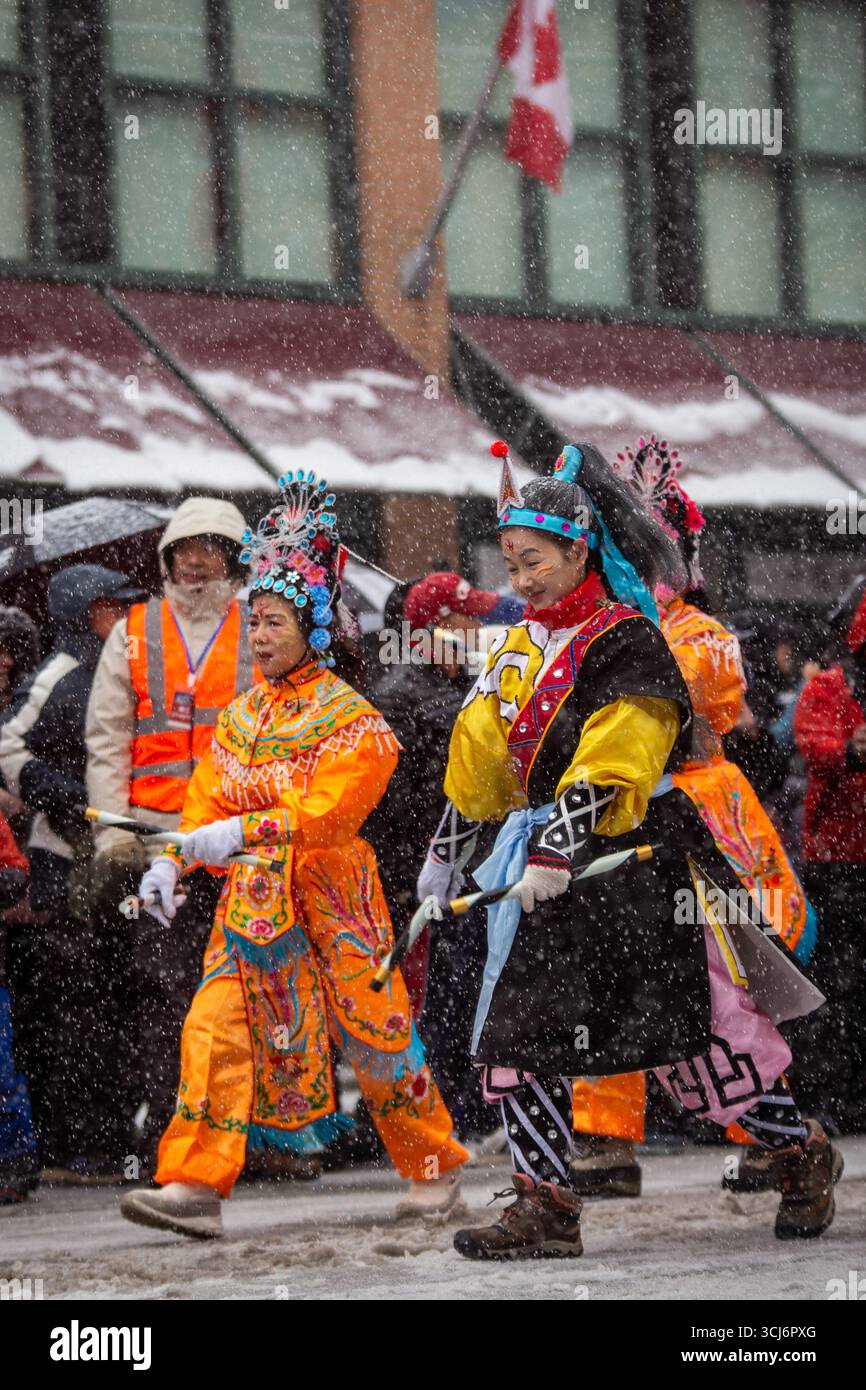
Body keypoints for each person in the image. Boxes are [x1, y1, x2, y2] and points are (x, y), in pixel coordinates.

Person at [417, 440, 838, 1261]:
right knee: (516, 1034)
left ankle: (797, 1151)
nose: (521, 579)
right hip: (532, 868)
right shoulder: (515, 648)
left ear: (579, 551)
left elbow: (621, 758)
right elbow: (479, 764)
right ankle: (545, 1205)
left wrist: (558, 846)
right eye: (509, 562)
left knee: (696, 1040)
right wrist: (445, 858)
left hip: (628, 866)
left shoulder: (629, 642)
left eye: (534, 560)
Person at [119, 470, 467, 1239]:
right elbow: (206, 800)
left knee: (376, 1037)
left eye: (276, 621)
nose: (262, 635)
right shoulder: (241, 716)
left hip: (333, 893)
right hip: (253, 903)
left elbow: (329, 813)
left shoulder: (357, 720)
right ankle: (195, 1182)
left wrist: (245, 833)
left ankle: (435, 1168)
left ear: (314, 625)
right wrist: (172, 862)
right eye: (256, 623)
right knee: (214, 1026)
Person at [570, 437, 818, 1199]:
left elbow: (696, 710)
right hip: (611, 817)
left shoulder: (702, 638)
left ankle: (777, 1136)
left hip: (691, 816)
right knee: (600, 980)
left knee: (716, 990)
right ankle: (603, 1138)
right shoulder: (591, 627)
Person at [85, 498, 259, 1158]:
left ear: (233, 557)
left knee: (254, 987)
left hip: (243, 843)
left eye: (211, 547)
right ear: (166, 559)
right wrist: (113, 833)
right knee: (166, 992)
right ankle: (173, 1136)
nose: (195, 560)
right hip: (160, 842)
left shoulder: (261, 624)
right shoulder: (134, 629)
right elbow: (108, 738)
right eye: (184, 549)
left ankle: (253, 1135)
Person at [0, 565, 144, 1182]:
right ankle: (72, 1144)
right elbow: (5, 744)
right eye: (112, 606)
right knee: (71, 1006)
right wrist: (61, 793)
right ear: (83, 610)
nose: (124, 616)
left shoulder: (136, 664)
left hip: (122, 856)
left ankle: (110, 1140)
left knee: (116, 1000)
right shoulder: (56, 674)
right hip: (60, 859)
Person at [370, 571, 515, 1145]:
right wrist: (413, 872)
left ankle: (473, 1106)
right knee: (444, 994)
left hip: (473, 865)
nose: (478, 629)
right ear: (433, 629)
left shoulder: (465, 687)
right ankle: (450, 1112)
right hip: (434, 873)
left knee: (475, 984)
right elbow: (398, 802)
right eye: (464, 620)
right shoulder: (403, 695)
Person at [793, 584, 866, 1131]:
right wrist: (853, 748)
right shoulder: (826, 688)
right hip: (837, 859)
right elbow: (814, 746)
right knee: (836, 983)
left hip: (842, 854)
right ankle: (834, 1098)